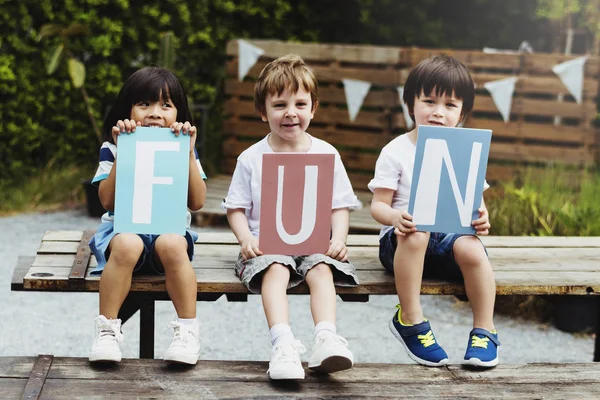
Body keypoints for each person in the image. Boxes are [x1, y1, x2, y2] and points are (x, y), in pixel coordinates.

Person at [223, 54, 361, 380]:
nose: (290, 113)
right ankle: (283, 344)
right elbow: (235, 208)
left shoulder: (326, 153)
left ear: (313, 109)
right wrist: (246, 239)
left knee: (322, 268)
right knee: (275, 268)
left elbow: (339, 205)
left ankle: (326, 337)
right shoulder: (251, 158)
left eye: (300, 104)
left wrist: (338, 239)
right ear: (262, 112)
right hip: (265, 243)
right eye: (280, 104)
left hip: (312, 239)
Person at [369, 55, 499, 368]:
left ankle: (485, 329)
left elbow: (474, 205)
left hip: (447, 244)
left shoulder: (463, 151)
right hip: (402, 241)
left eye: (450, 105)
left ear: (462, 113)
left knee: (470, 245)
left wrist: (481, 218)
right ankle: (410, 319)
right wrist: (394, 218)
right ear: (410, 103)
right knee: (418, 232)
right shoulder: (396, 151)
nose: (438, 112)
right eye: (429, 100)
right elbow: (378, 206)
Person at [88, 67, 207, 365]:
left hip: (168, 232)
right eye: (145, 104)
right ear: (127, 109)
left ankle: (188, 331)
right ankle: (107, 330)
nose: (155, 113)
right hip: (123, 231)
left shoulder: (183, 146)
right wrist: (124, 149)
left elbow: (197, 202)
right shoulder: (113, 147)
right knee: (129, 244)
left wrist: (189, 153)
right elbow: (106, 201)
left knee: (172, 244)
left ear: (179, 114)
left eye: (166, 105)